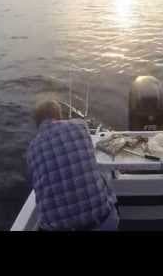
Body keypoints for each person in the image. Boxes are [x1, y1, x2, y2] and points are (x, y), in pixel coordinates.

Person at [26, 99, 119, 231]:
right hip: (102, 222)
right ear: (58, 115)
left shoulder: (31, 149)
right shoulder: (80, 126)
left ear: (37, 123)